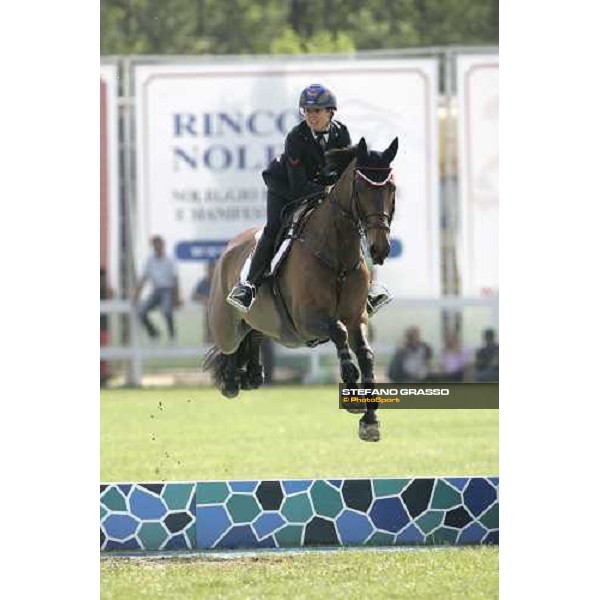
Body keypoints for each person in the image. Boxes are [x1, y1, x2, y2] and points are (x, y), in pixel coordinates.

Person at [227, 83, 391, 314]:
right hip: (285, 188)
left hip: (322, 189)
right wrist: (327, 193)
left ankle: (369, 287)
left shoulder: (340, 133)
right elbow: (297, 184)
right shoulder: (296, 137)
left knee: (354, 225)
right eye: (307, 111)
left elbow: (345, 171)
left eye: (316, 111)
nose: (311, 116)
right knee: (274, 229)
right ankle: (249, 286)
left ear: (330, 112)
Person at [133, 235, 182, 341]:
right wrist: (136, 295)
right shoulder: (149, 261)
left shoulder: (170, 260)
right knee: (141, 311)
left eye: (159, 244)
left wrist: (177, 297)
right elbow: (143, 279)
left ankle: (172, 333)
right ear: (153, 246)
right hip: (156, 290)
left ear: (163, 245)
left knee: (166, 310)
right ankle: (153, 332)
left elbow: (175, 280)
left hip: (167, 290)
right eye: (155, 245)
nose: (157, 247)